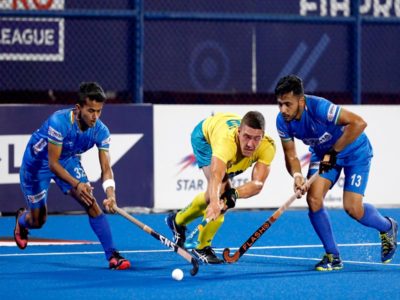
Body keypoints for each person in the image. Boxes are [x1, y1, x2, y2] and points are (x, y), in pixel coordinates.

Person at [274, 74, 398, 271]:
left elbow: (359, 123)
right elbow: (291, 155)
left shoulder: (320, 108)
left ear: (301, 100)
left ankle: (387, 226)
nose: (283, 110)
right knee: (313, 199)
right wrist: (297, 176)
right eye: (279, 104)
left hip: (355, 152)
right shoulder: (282, 122)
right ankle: (333, 255)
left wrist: (334, 151)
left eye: (287, 104)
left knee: (352, 208)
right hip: (323, 155)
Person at [14, 82, 131, 270]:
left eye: (99, 111)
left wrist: (111, 194)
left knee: (90, 202)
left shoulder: (101, 131)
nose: (95, 117)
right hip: (37, 165)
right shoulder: (59, 122)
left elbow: (106, 167)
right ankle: (21, 219)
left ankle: (112, 255)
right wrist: (77, 183)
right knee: (38, 221)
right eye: (91, 111)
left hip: (67, 159)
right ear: (78, 108)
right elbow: (53, 164)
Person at [166, 111, 276, 264]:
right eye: (247, 137)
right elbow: (216, 176)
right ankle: (201, 247)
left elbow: (258, 184)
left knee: (223, 196)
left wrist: (234, 194)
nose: (251, 144)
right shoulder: (225, 144)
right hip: (205, 138)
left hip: (222, 131)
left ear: (263, 136)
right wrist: (214, 203)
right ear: (239, 132)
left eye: (257, 138)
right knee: (219, 195)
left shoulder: (267, 146)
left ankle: (177, 220)